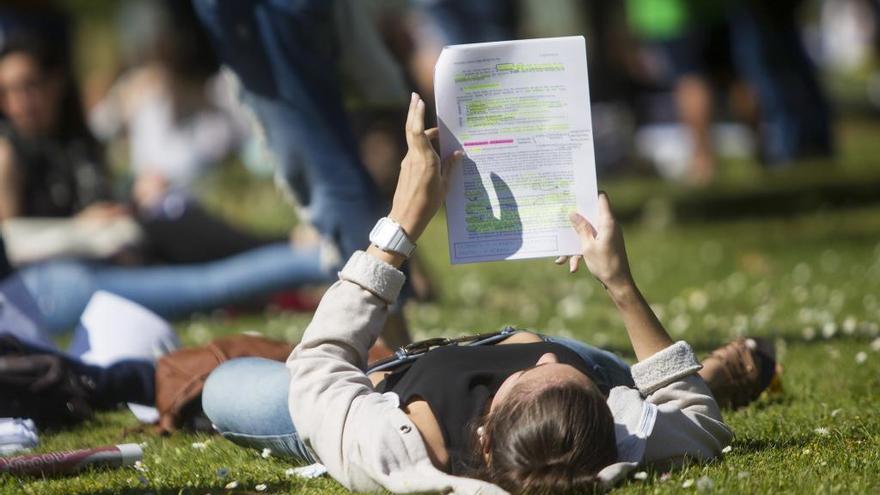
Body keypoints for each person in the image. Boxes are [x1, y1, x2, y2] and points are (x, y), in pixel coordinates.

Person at [201, 95, 771, 493]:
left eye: (528, 374)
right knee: (612, 371)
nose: (543, 355)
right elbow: (700, 427)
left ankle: (628, 378)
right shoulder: (611, 437)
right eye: (566, 375)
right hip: (582, 380)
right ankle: (648, 377)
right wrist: (619, 285)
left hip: (385, 382)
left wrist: (400, 222)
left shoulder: (385, 449)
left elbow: (322, 358)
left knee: (223, 389)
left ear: (482, 435)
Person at [0, 33, 334, 332]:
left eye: (30, 86)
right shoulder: (7, 153)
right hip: (54, 283)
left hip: (117, 253)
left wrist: (131, 192)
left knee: (173, 212)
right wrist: (82, 229)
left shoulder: (70, 142)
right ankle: (322, 257)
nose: (20, 102)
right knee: (212, 286)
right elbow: (10, 243)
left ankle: (309, 252)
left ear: (55, 83)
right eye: (8, 92)